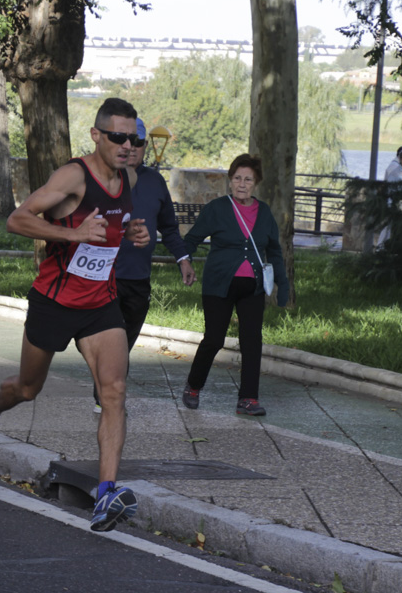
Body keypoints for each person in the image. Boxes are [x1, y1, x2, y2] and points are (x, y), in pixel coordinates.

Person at [0, 98, 151, 532]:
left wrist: (134, 233)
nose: (127, 146)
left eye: (134, 138)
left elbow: (116, 224)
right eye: (118, 137)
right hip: (55, 300)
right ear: (97, 136)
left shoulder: (130, 178)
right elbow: (17, 219)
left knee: (115, 391)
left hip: (101, 303)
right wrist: (73, 233)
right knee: (27, 388)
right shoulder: (73, 176)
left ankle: (106, 494)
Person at [88, 117, 196, 413]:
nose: (131, 148)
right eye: (124, 141)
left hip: (138, 277)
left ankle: (106, 386)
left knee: (125, 340)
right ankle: (107, 396)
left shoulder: (154, 181)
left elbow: (170, 228)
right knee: (111, 339)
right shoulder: (99, 178)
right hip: (103, 276)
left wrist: (183, 260)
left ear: (144, 146)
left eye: (137, 142)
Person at [179, 153, 288, 417]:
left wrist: (282, 283)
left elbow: (274, 250)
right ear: (230, 181)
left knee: (252, 340)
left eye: (248, 179)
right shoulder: (217, 208)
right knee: (214, 339)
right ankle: (193, 386)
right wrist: (185, 263)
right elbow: (192, 239)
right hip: (219, 285)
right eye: (237, 178)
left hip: (252, 287)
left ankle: (248, 399)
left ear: (255, 183)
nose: (242, 183)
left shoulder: (263, 213)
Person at [377, 146, 402, 248]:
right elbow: (391, 188)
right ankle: (381, 248)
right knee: (387, 227)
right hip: (393, 203)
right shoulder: (394, 169)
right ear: (400, 157)